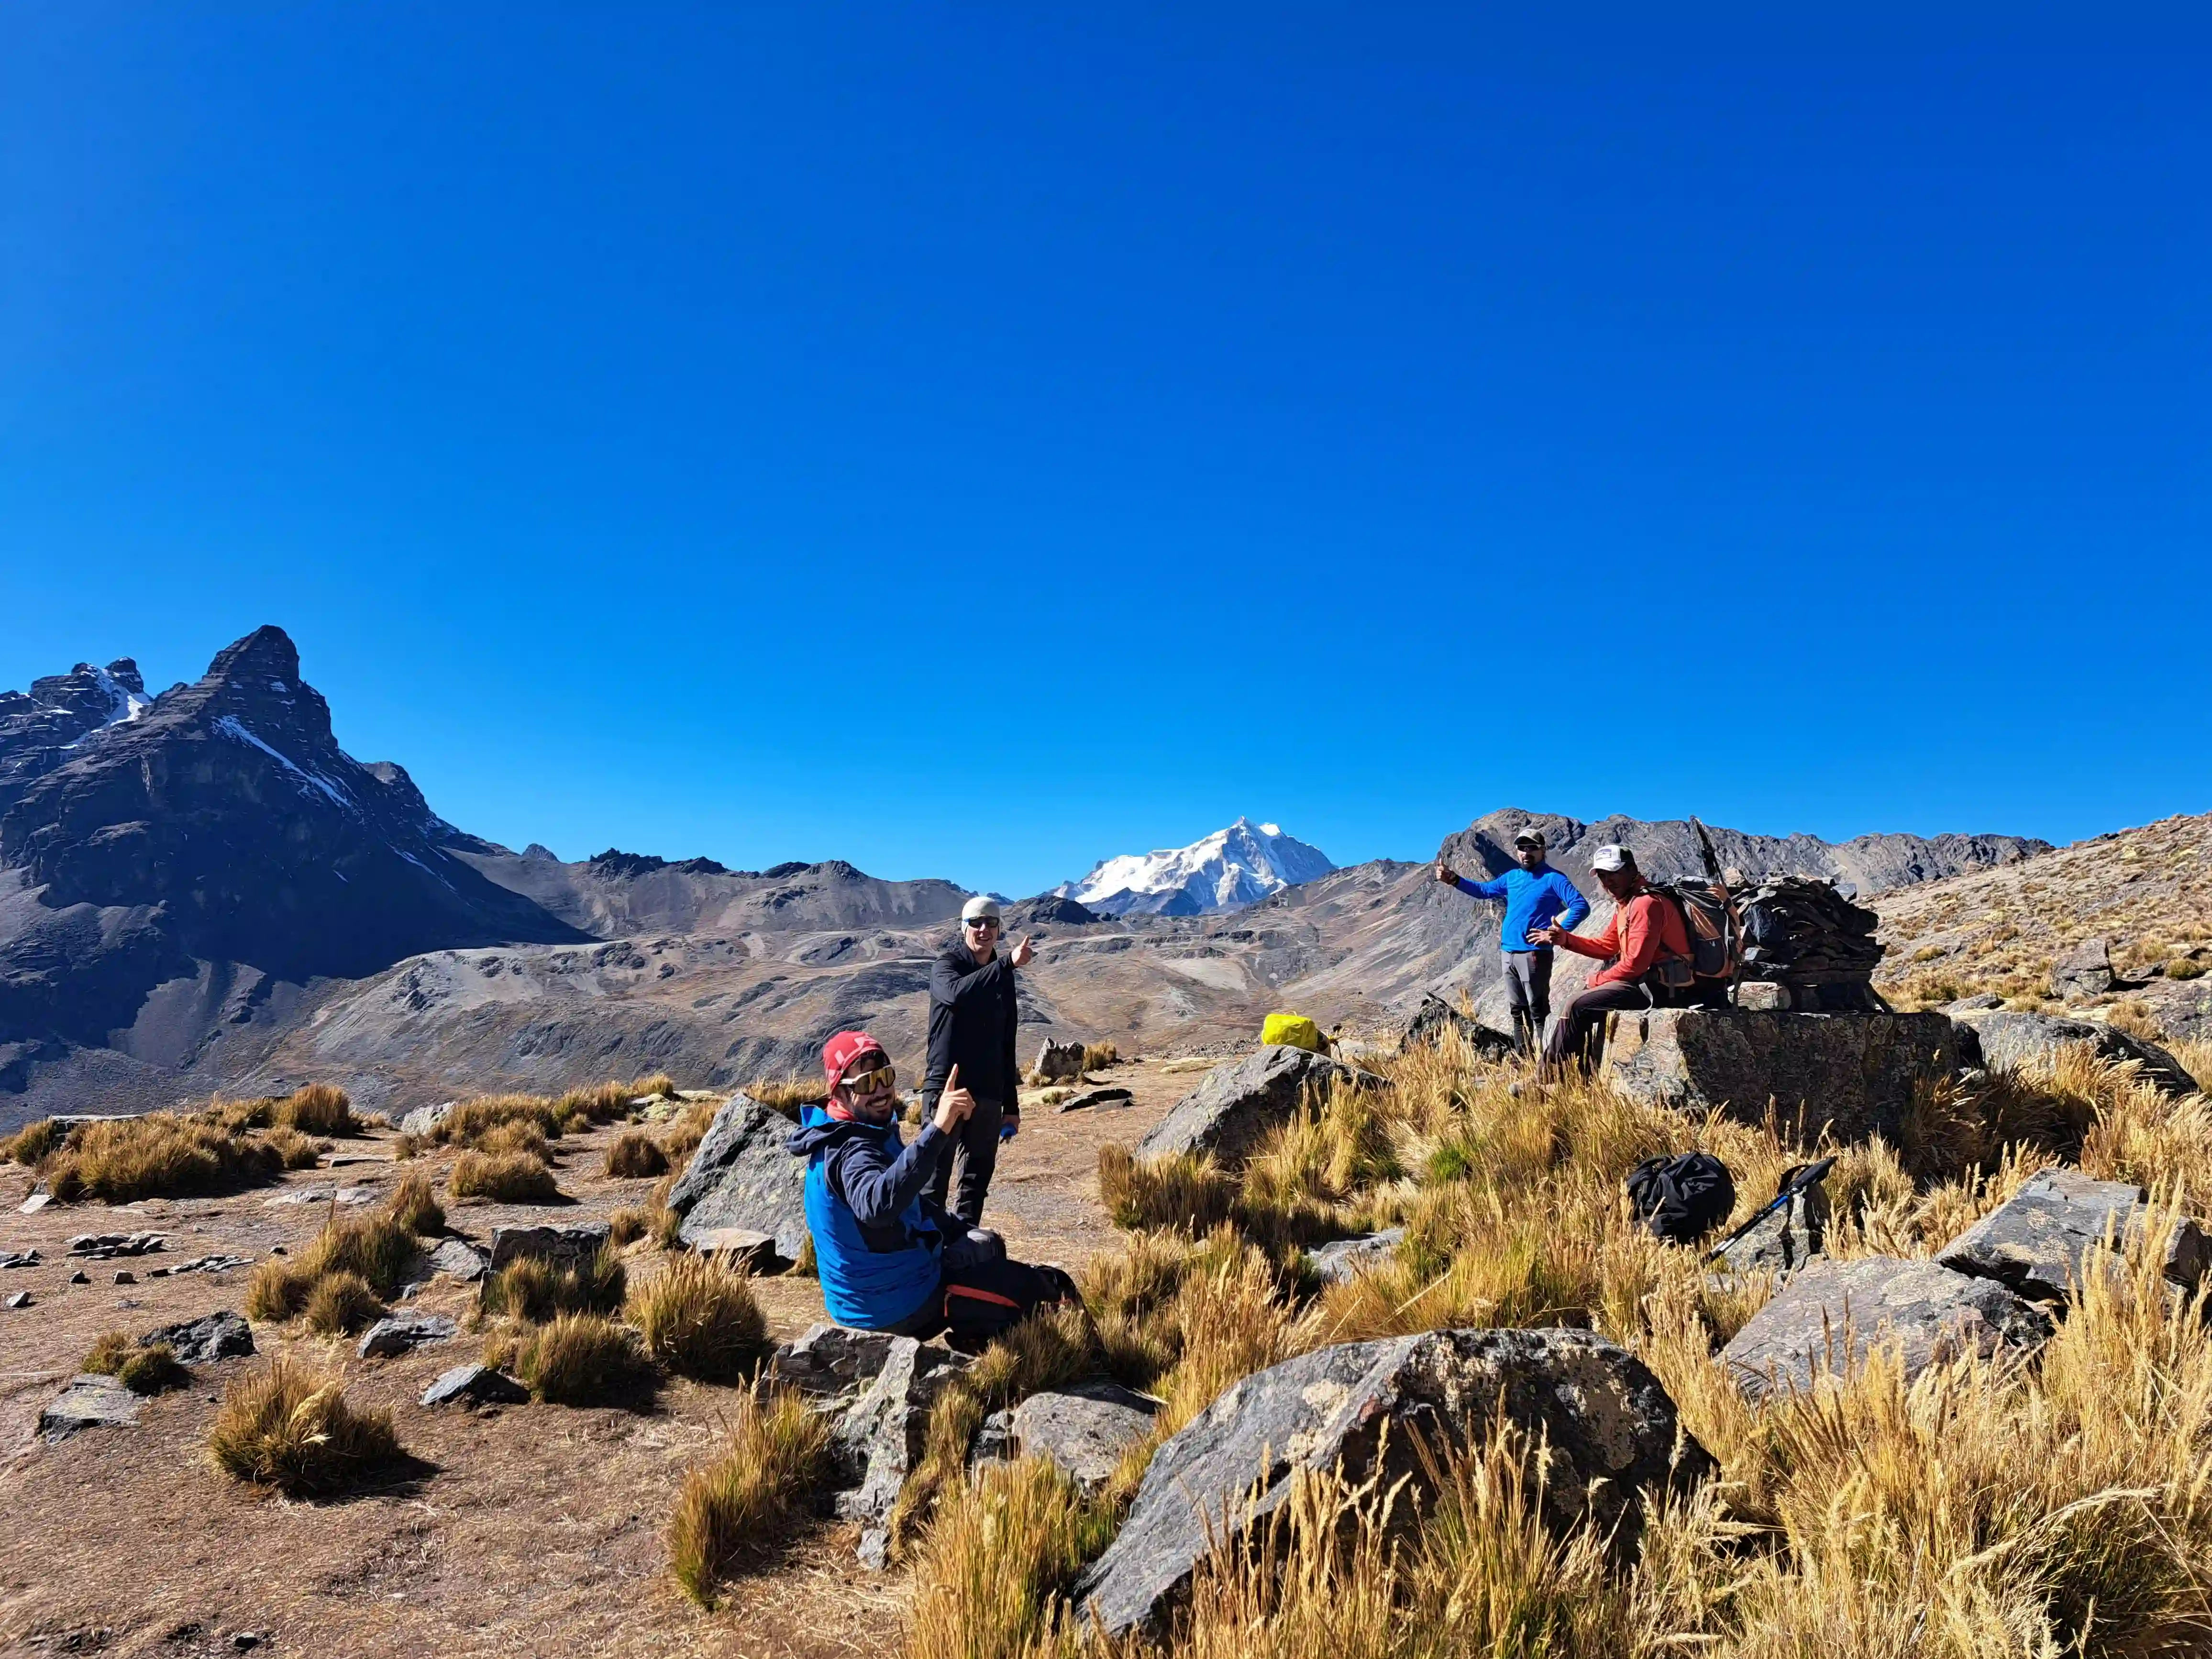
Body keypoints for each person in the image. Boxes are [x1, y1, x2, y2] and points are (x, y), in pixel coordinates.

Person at [786, 1029, 1077, 1341]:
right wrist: (939, 1128)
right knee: (1045, 1289)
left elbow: (911, 1205)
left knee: (986, 1243)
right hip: (895, 1305)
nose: (882, 1089)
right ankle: (1028, 1345)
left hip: (877, 1291)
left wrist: (960, 1230)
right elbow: (877, 1206)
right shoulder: (852, 1151)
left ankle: (977, 1327)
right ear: (839, 1094)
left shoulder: (853, 1133)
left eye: (886, 1076)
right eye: (866, 1083)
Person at [1531, 843, 1694, 1072]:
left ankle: (1548, 1080)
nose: (1608, 882)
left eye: (1614, 873)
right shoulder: (1627, 905)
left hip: (1666, 988)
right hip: (1651, 982)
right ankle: (1577, 1074)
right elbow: (1608, 946)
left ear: (1632, 870)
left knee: (1577, 1004)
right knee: (1586, 1002)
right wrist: (1566, 940)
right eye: (1603, 876)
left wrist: (1598, 979)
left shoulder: (1645, 905)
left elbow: (1634, 966)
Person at [923, 895, 1031, 1226]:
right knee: (933, 1181)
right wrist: (1007, 964)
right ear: (963, 928)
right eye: (976, 923)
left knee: (976, 1180)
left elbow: (1006, 1039)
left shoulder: (1003, 976)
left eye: (992, 923)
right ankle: (925, 1255)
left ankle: (964, 1252)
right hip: (948, 1089)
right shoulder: (946, 966)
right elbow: (957, 994)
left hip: (987, 1092)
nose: (984, 929)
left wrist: (1010, 1104)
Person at [1435, 830, 1590, 1053]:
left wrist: (1558, 933)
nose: (1526, 853)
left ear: (1543, 850)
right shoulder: (1512, 877)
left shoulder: (1554, 879)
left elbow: (1581, 906)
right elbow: (1484, 890)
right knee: (1518, 1010)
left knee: (1537, 1009)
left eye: (1532, 848)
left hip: (1535, 953)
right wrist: (1454, 880)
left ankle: (1545, 1061)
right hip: (1508, 952)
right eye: (1522, 848)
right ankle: (1523, 1059)